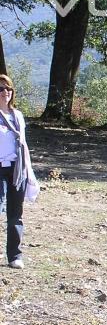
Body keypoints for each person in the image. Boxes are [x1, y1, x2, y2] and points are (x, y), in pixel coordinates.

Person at [0, 74, 36, 270]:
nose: (5, 92)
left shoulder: (18, 116)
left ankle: (14, 255)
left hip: (17, 168)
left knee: (15, 214)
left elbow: (23, 145)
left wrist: (29, 172)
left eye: (8, 89)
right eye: (1, 89)